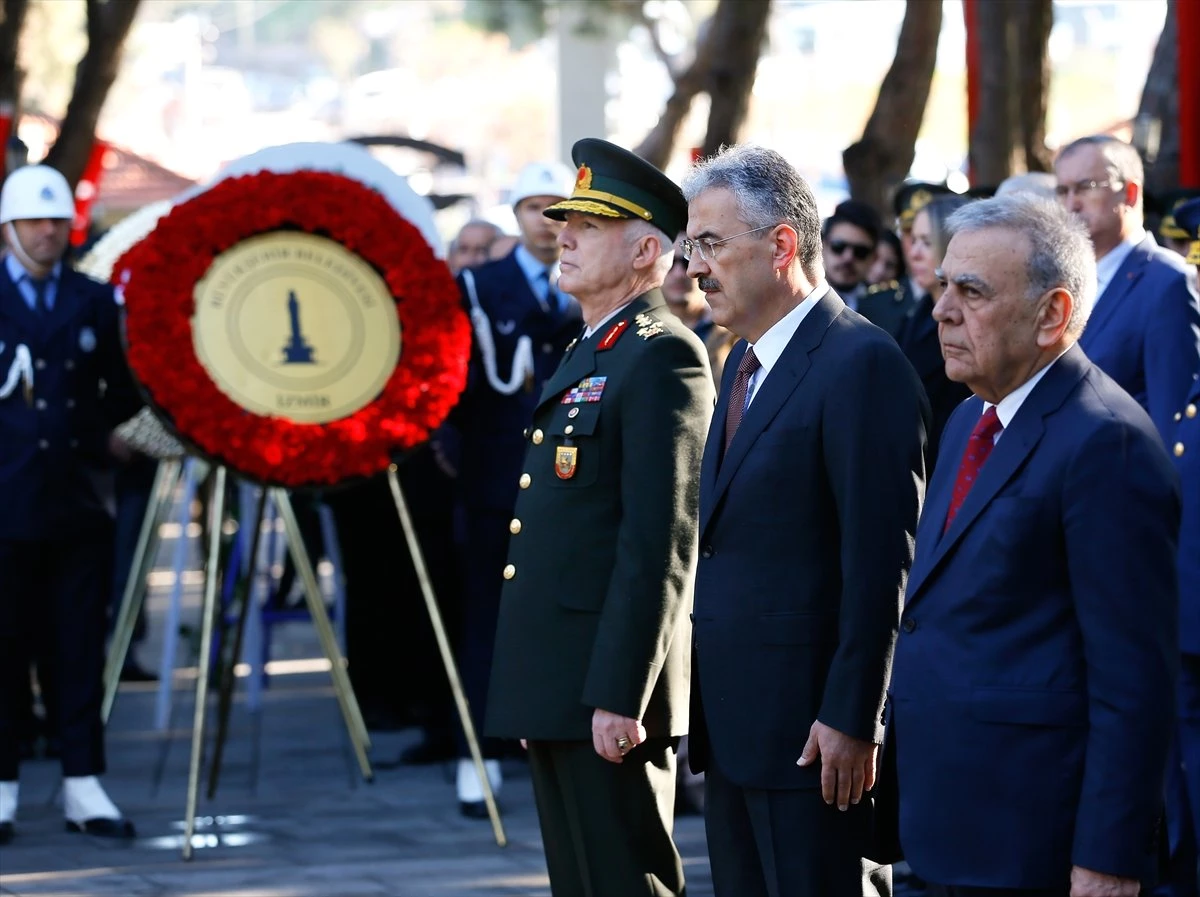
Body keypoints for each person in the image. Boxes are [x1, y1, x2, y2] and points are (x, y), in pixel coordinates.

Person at [890, 194, 1179, 896]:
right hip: (946, 826)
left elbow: (1131, 682)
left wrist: (1107, 858)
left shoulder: (1105, 441)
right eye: (942, 287)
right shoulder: (967, 421)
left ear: (1052, 314)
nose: (942, 311)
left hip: (1034, 846)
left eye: (972, 292)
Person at [683, 144, 929, 897]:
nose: (694, 266)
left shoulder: (860, 361)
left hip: (816, 742)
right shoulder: (740, 363)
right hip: (737, 733)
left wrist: (855, 717)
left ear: (782, 244)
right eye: (692, 246)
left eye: (711, 244)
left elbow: (881, 560)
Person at [486, 138, 713, 897]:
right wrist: (535, 684)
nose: (565, 233)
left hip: (607, 689)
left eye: (590, 223)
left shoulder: (661, 356)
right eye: (566, 219)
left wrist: (621, 691)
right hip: (563, 677)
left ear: (648, 248)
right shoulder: (595, 348)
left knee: (625, 879)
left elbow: (661, 545)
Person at [0, 164, 143, 843]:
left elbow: (120, 389)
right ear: (9, 226)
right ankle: (1, 784)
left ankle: (83, 780)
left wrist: (118, 437)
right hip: (4, 502)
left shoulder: (93, 299)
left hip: (79, 500)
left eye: (56, 220)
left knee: (78, 643)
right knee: (4, 646)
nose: (48, 232)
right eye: (34, 221)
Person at [449, 159, 578, 817]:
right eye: (534, 207)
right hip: (496, 480)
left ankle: (553, 744)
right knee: (485, 620)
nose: (547, 221)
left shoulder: (592, 280)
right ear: (517, 214)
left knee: (561, 614)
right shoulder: (479, 286)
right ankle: (479, 753)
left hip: (574, 482)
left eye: (559, 208)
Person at [1053, 134, 1200, 442]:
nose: (1071, 203)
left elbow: (1174, 420)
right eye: (1062, 191)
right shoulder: (1060, 281)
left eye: (1085, 187)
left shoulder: (1167, 281)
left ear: (1130, 193)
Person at [896, 195, 974, 466]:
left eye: (927, 243)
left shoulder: (965, 319)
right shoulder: (914, 316)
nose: (914, 252)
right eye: (913, 240)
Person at [663, 233, 736, 385]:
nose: (679, 274)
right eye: (669, 263)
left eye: (686, 261)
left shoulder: (735, 331)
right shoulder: (642, 333)